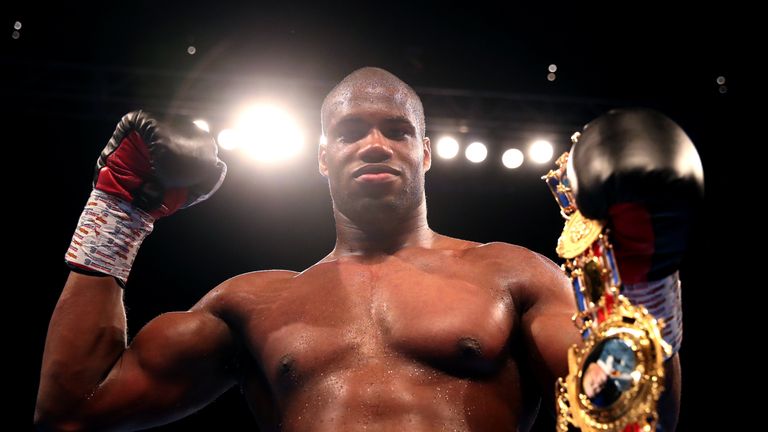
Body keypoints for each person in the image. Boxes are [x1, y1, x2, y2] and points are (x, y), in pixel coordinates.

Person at [35, 67, 695, 431]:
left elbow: (630, 417)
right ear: (322, 158)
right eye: (350, 131)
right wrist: (117, 210)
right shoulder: (256, 301)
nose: (374, 144)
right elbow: (74, 405)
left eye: (396, 131)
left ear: (426, 153)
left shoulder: (511, 274)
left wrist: (641, 288)